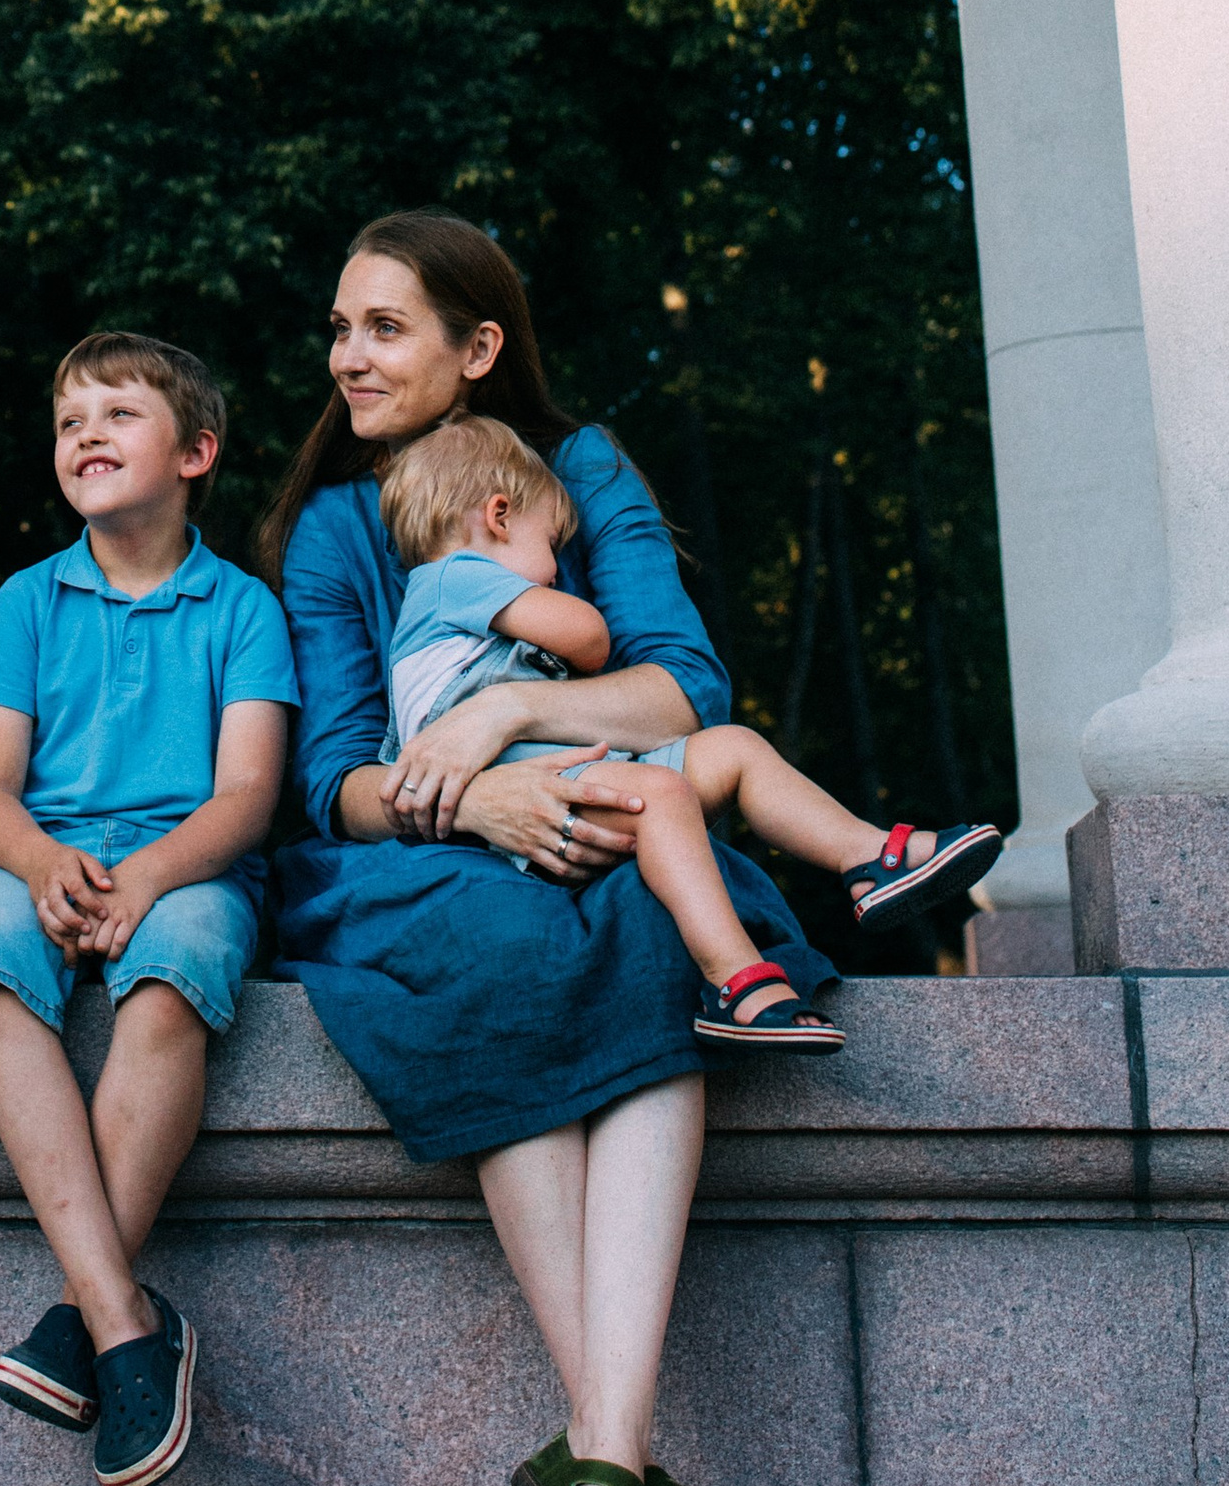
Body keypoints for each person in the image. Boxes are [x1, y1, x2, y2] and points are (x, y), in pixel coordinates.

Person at [259, 210, 840, 1486]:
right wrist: (476, 801)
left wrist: (512, 711)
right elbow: (334, 781)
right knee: (505, 948)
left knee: (651, 934)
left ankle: (596, 1456)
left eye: (382, 328)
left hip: (612, 812)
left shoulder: (579, 473)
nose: (347, 357)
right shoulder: (333, 526)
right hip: (409, 861)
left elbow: (682, 689)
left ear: (478, 347)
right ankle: (618, 1460)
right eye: (339, 329)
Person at [0, 330, 296, 1486]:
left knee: (176, 965)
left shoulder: (242, 609)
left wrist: (145, 879)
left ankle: (79, 1316)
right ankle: (126, 1320)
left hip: (186, 867)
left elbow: (247, 797)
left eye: (117, 414)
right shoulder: (26, 601)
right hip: (40, 858)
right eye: (68, 421)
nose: (84, 434)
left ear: (196, 452)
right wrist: (42, 862)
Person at [377, 412, 1001, 1052]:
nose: (559, 567)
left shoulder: (444, 614)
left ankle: (867, 858)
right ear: (499, 517)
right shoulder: (452, 579)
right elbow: (589, 638)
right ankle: (735, 982)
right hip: (528, 817)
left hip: (578, 785)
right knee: (664, 796)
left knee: (734, 750)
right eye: (554, 543)